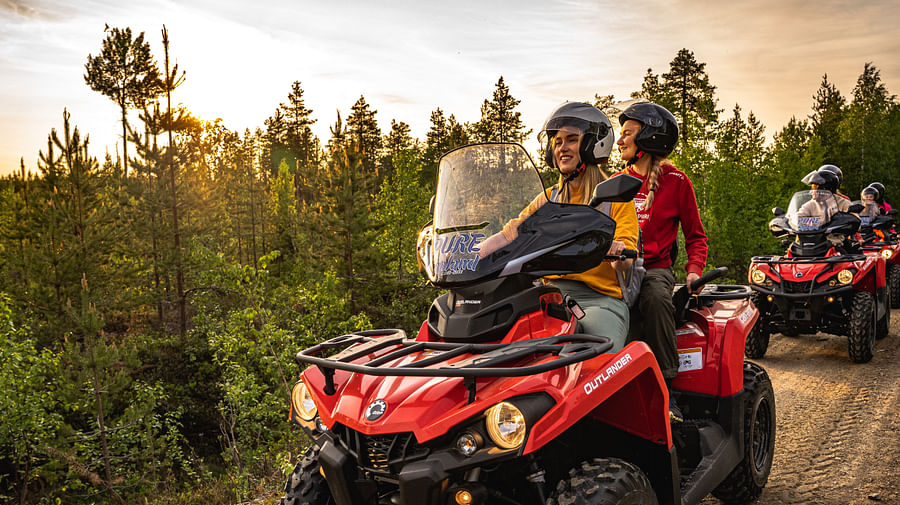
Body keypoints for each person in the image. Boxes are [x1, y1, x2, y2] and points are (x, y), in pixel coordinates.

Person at [478, 102, 639, 351]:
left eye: (572, 139)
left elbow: (627, 251)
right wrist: (471, 255)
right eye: (557, 141)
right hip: (548, 298)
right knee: (503, 346)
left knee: (600, 355)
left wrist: (619, 253)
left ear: (591, 146)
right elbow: (509, 234)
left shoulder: (615, 199)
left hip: (598, 300)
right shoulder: (548, 199)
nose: (562, 148)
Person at [615, 101, 707, 422]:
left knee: (654, 295)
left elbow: (696, 237)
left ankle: (668, 391)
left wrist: (694, 272)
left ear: (649, 137)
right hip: (618, 269)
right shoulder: (615, 183)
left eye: (627, 133)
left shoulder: (677, 182)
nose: (619, 140)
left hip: (655, 268)